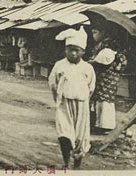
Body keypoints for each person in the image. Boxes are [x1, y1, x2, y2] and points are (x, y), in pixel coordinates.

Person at [48, 26, 95, 169]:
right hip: (64, 104)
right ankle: (66, 162)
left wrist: (83, 100)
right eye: (70, 49)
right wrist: (58, 100)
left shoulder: (87, 68)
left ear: (83, 52)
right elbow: (53, 83)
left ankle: (77, 165)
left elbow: (91, 87)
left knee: (80, 138)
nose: (73, 53)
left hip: (81, 105)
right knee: (64, 134)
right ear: (65, 50)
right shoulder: (59, 65)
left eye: (77, 50)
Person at [87, 24, 127, 135]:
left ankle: (105, 126)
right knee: (101, 99)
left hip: (107, 76)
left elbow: (104, 59)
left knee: (104, 100)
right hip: (104, 76)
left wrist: (93, 61)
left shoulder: (108, 44)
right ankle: (100, 124)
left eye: (95, 32)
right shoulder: (102, 44)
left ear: (103, 32)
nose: (93, 35)